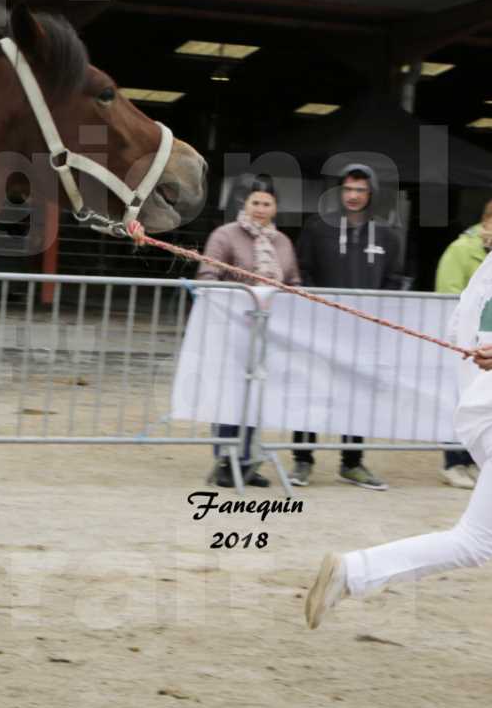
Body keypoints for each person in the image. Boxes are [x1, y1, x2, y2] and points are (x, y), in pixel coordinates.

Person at [305, 246, 492, 628]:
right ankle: (354, 571)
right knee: (474, 540)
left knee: (475, 540)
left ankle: (354, 571)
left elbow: (461, 331)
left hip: (481, 407)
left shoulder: (485, 270)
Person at [291, 164, 407, 490]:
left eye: (360, 190)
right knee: (311, 393)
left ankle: (352, 463)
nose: (354, 196)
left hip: (364, 335)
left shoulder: (387, 235)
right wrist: (318, 308)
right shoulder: (317, 228)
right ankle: (302, 460)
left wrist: (379, 315)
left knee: (357, 397)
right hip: (322, 330)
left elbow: (394, 281)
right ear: (340, 192)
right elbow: (304, 272)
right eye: (348, 189)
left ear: (371, 194)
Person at [196, 175, 300, 488]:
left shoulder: (282, 242)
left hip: (269, 334)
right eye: (255, 202)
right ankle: (225, 460)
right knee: (230, 395)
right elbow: (207, 275)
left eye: (266, 203)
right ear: (245, 204)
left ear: (275, 208)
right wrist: (238, 299)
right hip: (231, 329)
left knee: (255, 396)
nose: (260, 208)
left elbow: (293, 280)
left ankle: (247, 459)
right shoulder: (224, 236)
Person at [433, 198, 492, 488]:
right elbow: (461, 304)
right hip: (473, 355)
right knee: (464, 404)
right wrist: (461, 341)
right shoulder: (469, 254)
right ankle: (458, 462)